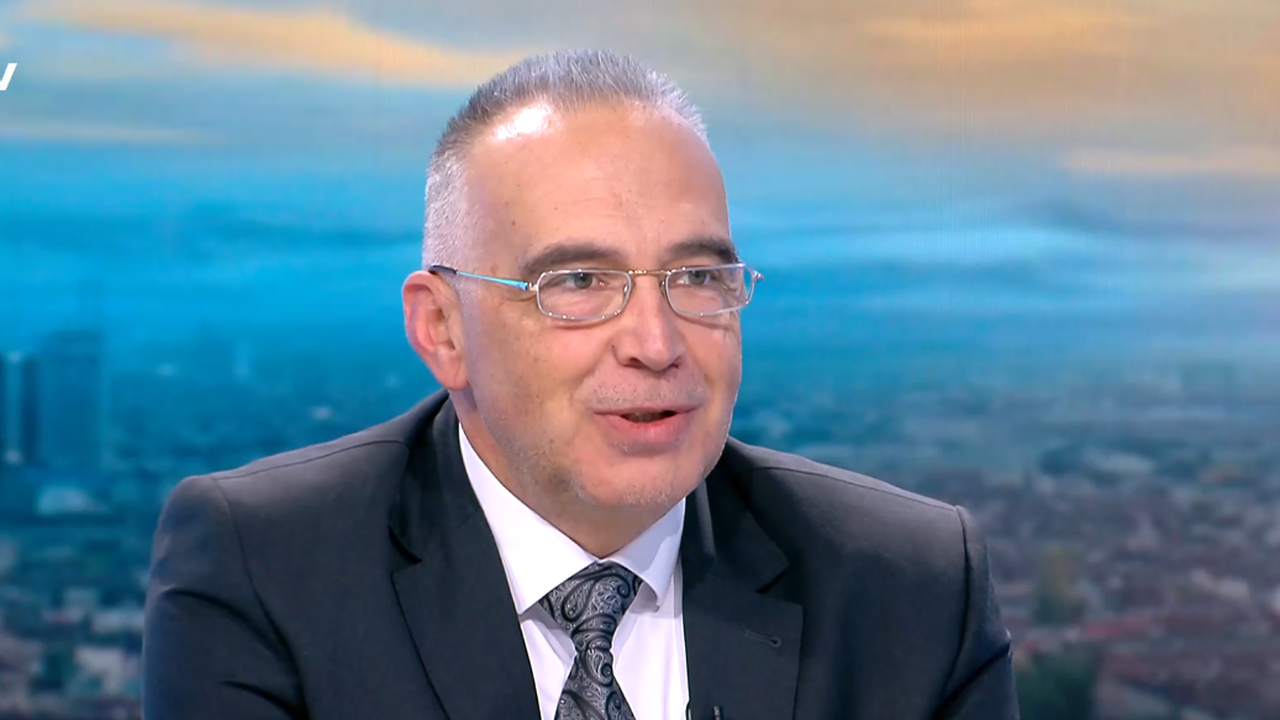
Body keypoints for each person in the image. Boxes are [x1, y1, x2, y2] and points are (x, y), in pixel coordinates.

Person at [143, 49, 1019, 720]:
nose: (656, 344)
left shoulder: (913, 587)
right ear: (442, 329)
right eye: (578, 283)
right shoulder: (266, 569)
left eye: (697, 277)